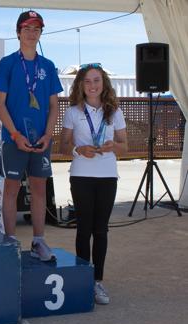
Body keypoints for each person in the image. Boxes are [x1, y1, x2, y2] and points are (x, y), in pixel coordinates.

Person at [0, 10, 63, 261]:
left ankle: (38, 241)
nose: (31, 33)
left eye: (36, 29)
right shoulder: (8, 63)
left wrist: (48, 134)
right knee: (11, 189)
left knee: (39, 190)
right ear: (18, 32)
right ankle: (11, 241)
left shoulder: (48, 66)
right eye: (27, 28)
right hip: (14, 138)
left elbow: (54, 105)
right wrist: (14, 134)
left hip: (41, 140)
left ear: (41, 33)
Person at [60, 63, 128, 305]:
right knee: (83, 228)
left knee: (101, 230)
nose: (92, 86)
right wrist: (79, 149)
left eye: (96, 80)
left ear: (104, 83)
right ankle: (82, 279)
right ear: (80, 84)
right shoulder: (72, 112)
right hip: (81, 175)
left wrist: (112, 147)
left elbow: (125, 146)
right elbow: (63, 146)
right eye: (87, 81)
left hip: (107, 175)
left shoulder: (115, 112)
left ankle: (97, 280)